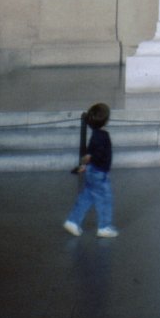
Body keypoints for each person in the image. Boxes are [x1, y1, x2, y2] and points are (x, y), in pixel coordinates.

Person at [63, 102, 118, 237]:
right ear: (106, 120)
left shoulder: (95, 135)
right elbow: (97, 155)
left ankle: (73, 221)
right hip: (99, 173)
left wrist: (85, 165)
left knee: (87, 196)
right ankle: (104, 226)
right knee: (104, 198)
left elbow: (89, 152)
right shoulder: (103, 136)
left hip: (92, 171)